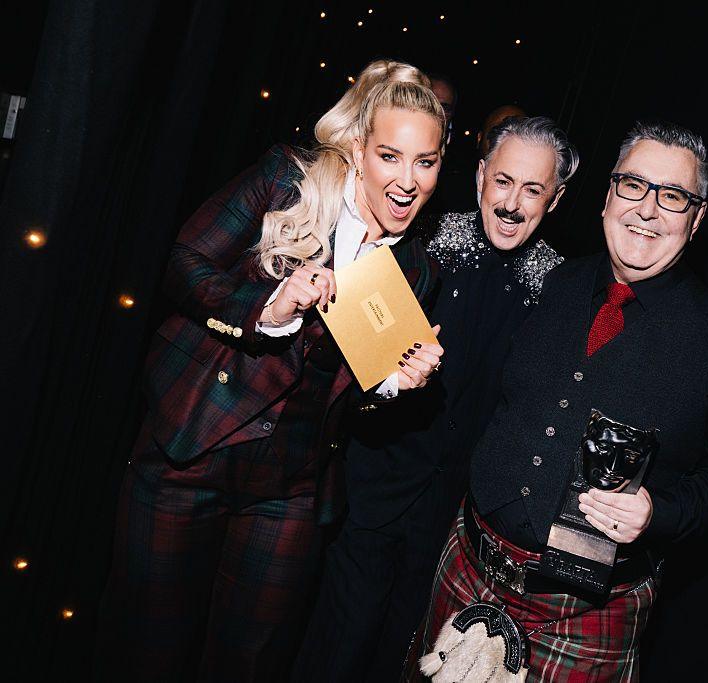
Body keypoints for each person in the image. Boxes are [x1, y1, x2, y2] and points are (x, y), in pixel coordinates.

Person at [96, 59, 447, 682]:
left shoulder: (416, 269)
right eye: (390, 156)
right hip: (192, 450)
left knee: (248, 665)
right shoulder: (289, 182)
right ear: (360, 148)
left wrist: (397, 383)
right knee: (147, 651)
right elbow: (184, 263)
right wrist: (268, 307)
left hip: (289, 487)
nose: (407, 180)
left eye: (426, 162)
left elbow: (356, 395)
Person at [405, 121, 708, 681]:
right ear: (606, 197)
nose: (647, 209)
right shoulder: (553, 283)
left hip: (581, 615)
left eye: (672, 196)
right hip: (469, 564)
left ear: (697, 220)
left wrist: (660, 512)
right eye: (633, 186)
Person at [293, 116, 578, 681]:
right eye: (502, 182)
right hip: (373, 494)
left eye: (532, 190)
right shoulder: (420, 246)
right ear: (478, 178)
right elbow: (351, 370)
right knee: (335, 647)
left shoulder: (561, 295)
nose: (512, 204)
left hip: (456, 529)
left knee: (406, 660)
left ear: (557, 198)